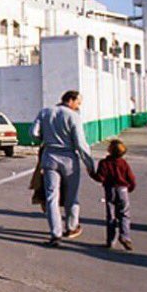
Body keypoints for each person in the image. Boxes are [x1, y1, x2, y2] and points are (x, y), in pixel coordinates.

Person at [31, 90, 96, 246]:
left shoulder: (45, 112)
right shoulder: (73, 116)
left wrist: (45, 139)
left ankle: (55, 233)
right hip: (68, 159)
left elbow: (33, 133)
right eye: (78, 103)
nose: (78, 106)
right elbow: (81, 144)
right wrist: (90, 165)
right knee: (71, 195)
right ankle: (71, 227)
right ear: (71, 100)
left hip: (49, 157)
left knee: (51, 197)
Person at [91, 139, 137, 251]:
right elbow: (131, 178)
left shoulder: (104, 163)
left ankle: (110, 241)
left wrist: (91, 173)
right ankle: (125, 237)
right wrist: (130, 187)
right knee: (124, 214)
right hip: (123, 190)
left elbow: (100, 177)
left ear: (110, 150)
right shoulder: (124, 163)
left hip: (110, 189)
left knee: (111, 216)